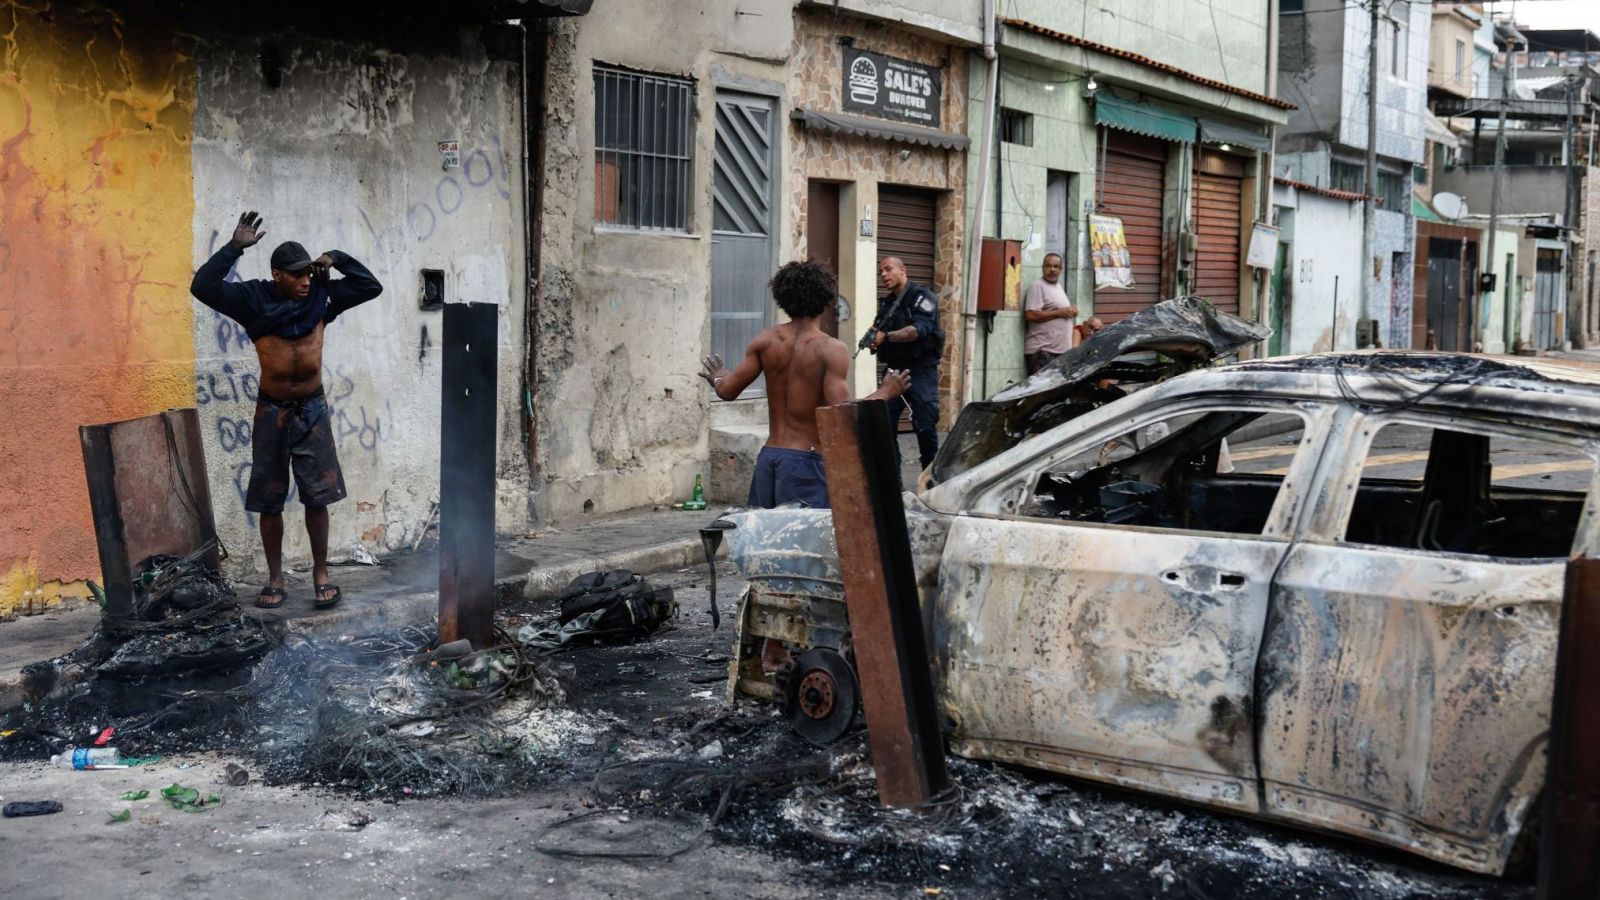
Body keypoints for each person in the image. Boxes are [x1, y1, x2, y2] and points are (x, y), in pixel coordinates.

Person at [190, 211, 383, 610]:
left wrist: (336, 257)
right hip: (272, 411)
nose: (305, 281)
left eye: (308, 273)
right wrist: (233, 249)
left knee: (318, 496)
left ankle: (321, 573)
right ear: (277, 274)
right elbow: (202, 286)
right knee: (269, 498)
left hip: (312, 409)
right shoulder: (252, 299)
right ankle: (276, 577)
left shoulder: (322, 297)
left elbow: (370, 286)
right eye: (297, 275)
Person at [700, 260, 909, 509]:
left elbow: (726, 390)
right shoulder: (831, 350)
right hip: (806, 464)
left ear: (783, 298)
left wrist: (718, 376)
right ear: (826, 299)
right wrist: (885, 392)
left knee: (764, 541)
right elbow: (844, 415)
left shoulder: (764, 341)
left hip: (769, 459)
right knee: (800, 543)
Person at [868, 256, 944, 472]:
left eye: (888, 269)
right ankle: (894, 482)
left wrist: (887, 337)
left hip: (920, 369)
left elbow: (918, 330)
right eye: (881, 271)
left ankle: (930, 480)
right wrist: (873, 339)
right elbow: (879, 331)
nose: (883, 275)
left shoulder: (922, 297)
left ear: (903, 270)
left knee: (925, 426)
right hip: (894, 369)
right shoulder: (887, 304)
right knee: (884, 425)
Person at [1023, 252, 1079, 375]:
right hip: (1043, 351)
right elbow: (1030, 315)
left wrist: (1070, 311)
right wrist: (1060, 313)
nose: (1052, 270)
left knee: (1057, 392)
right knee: (1043, 392)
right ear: (1042, 268)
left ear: (1061, 269)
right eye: (1048, 266)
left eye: (1056, 266)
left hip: (1059, 351)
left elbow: (1059, 311)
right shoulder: (1037, 286)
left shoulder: (1058, 287)